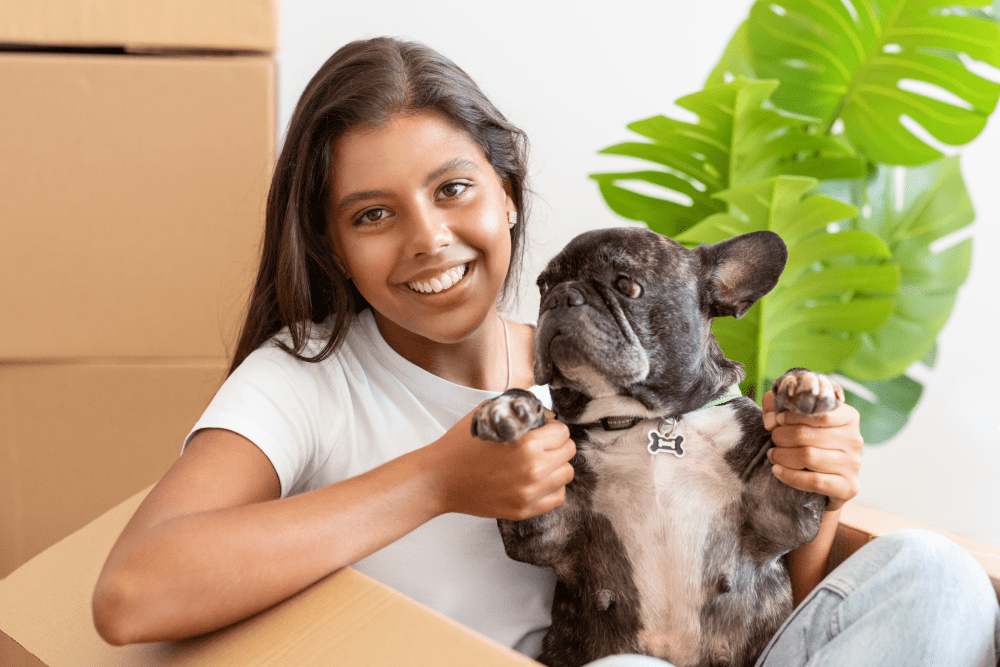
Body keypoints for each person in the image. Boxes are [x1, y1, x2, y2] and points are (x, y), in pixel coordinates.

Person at [92, 37, 1000, 665]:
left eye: (453, 189)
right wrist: (436, 481)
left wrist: (815, 490)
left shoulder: (626, 369)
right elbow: (133, 592)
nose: (427, 239)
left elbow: (750, 592)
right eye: (373, 214)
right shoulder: (307, 378)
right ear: (330, 244)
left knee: (940, 575)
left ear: (509, 192)